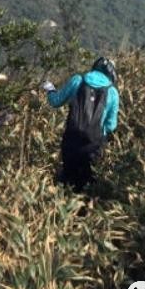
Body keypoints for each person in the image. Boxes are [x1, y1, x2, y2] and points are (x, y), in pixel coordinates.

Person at [41, 57, 119, 192]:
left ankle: (60, 208)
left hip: (71, 141)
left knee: (68, 181)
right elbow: (111, 125)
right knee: (88, 185)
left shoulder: (78, 81)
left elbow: (55, 101)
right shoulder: (112, 92)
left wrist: (50, 90)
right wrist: (99, 135)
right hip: (93, 146)